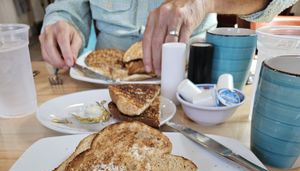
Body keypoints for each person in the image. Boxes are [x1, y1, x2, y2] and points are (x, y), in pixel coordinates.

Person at [39, 0, 298, 75]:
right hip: (102, 87)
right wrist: (61, 22)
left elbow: (277, 2)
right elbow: (69, 8)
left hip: (194, 84)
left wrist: (205, 3)